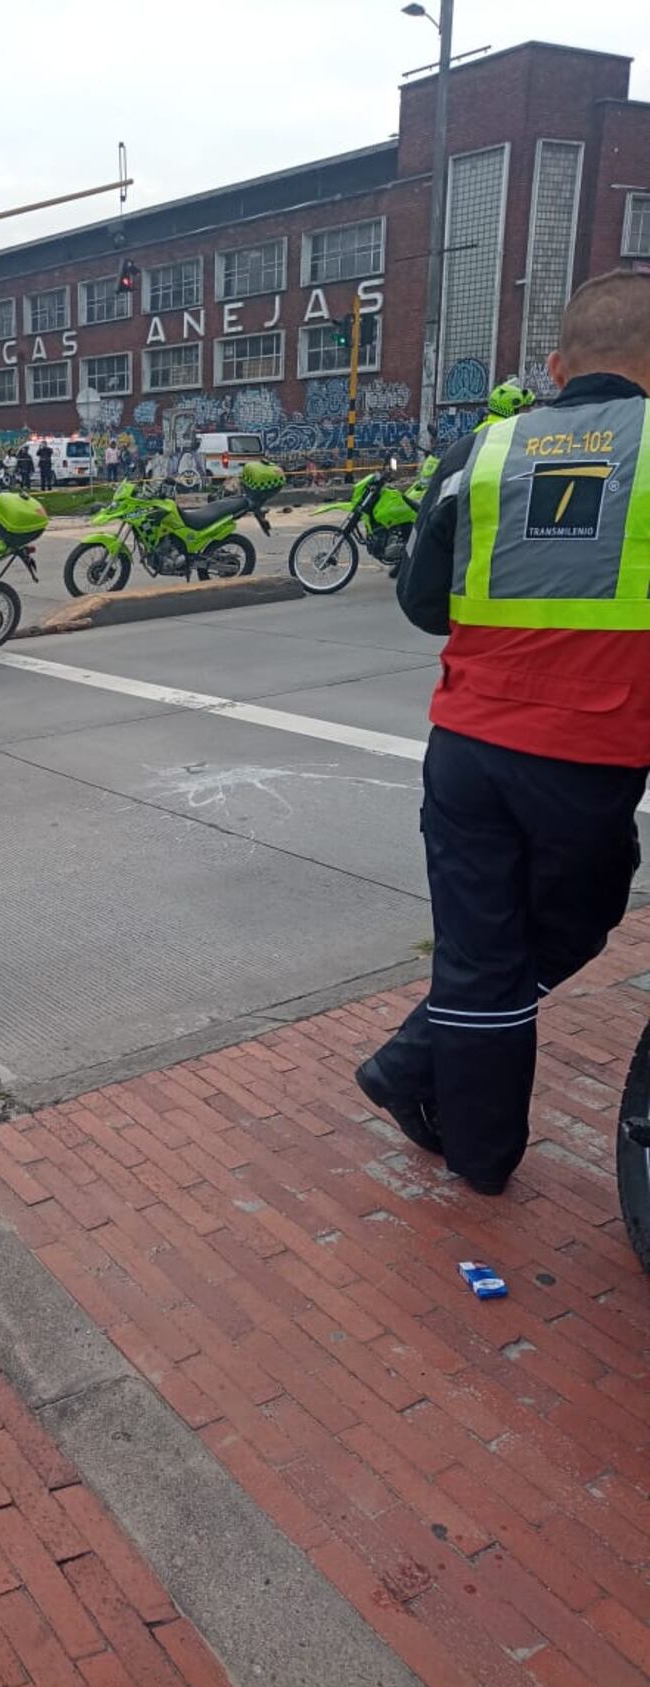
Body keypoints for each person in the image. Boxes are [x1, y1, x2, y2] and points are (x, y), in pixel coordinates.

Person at [356, 269, 650, 1196]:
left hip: (468, 751)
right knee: (569, 923)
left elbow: (420, 604)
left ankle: (460, 1132)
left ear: (559, 367)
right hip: (591, 758)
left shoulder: (481, 450)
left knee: (483, 950)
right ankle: (414, 1071)